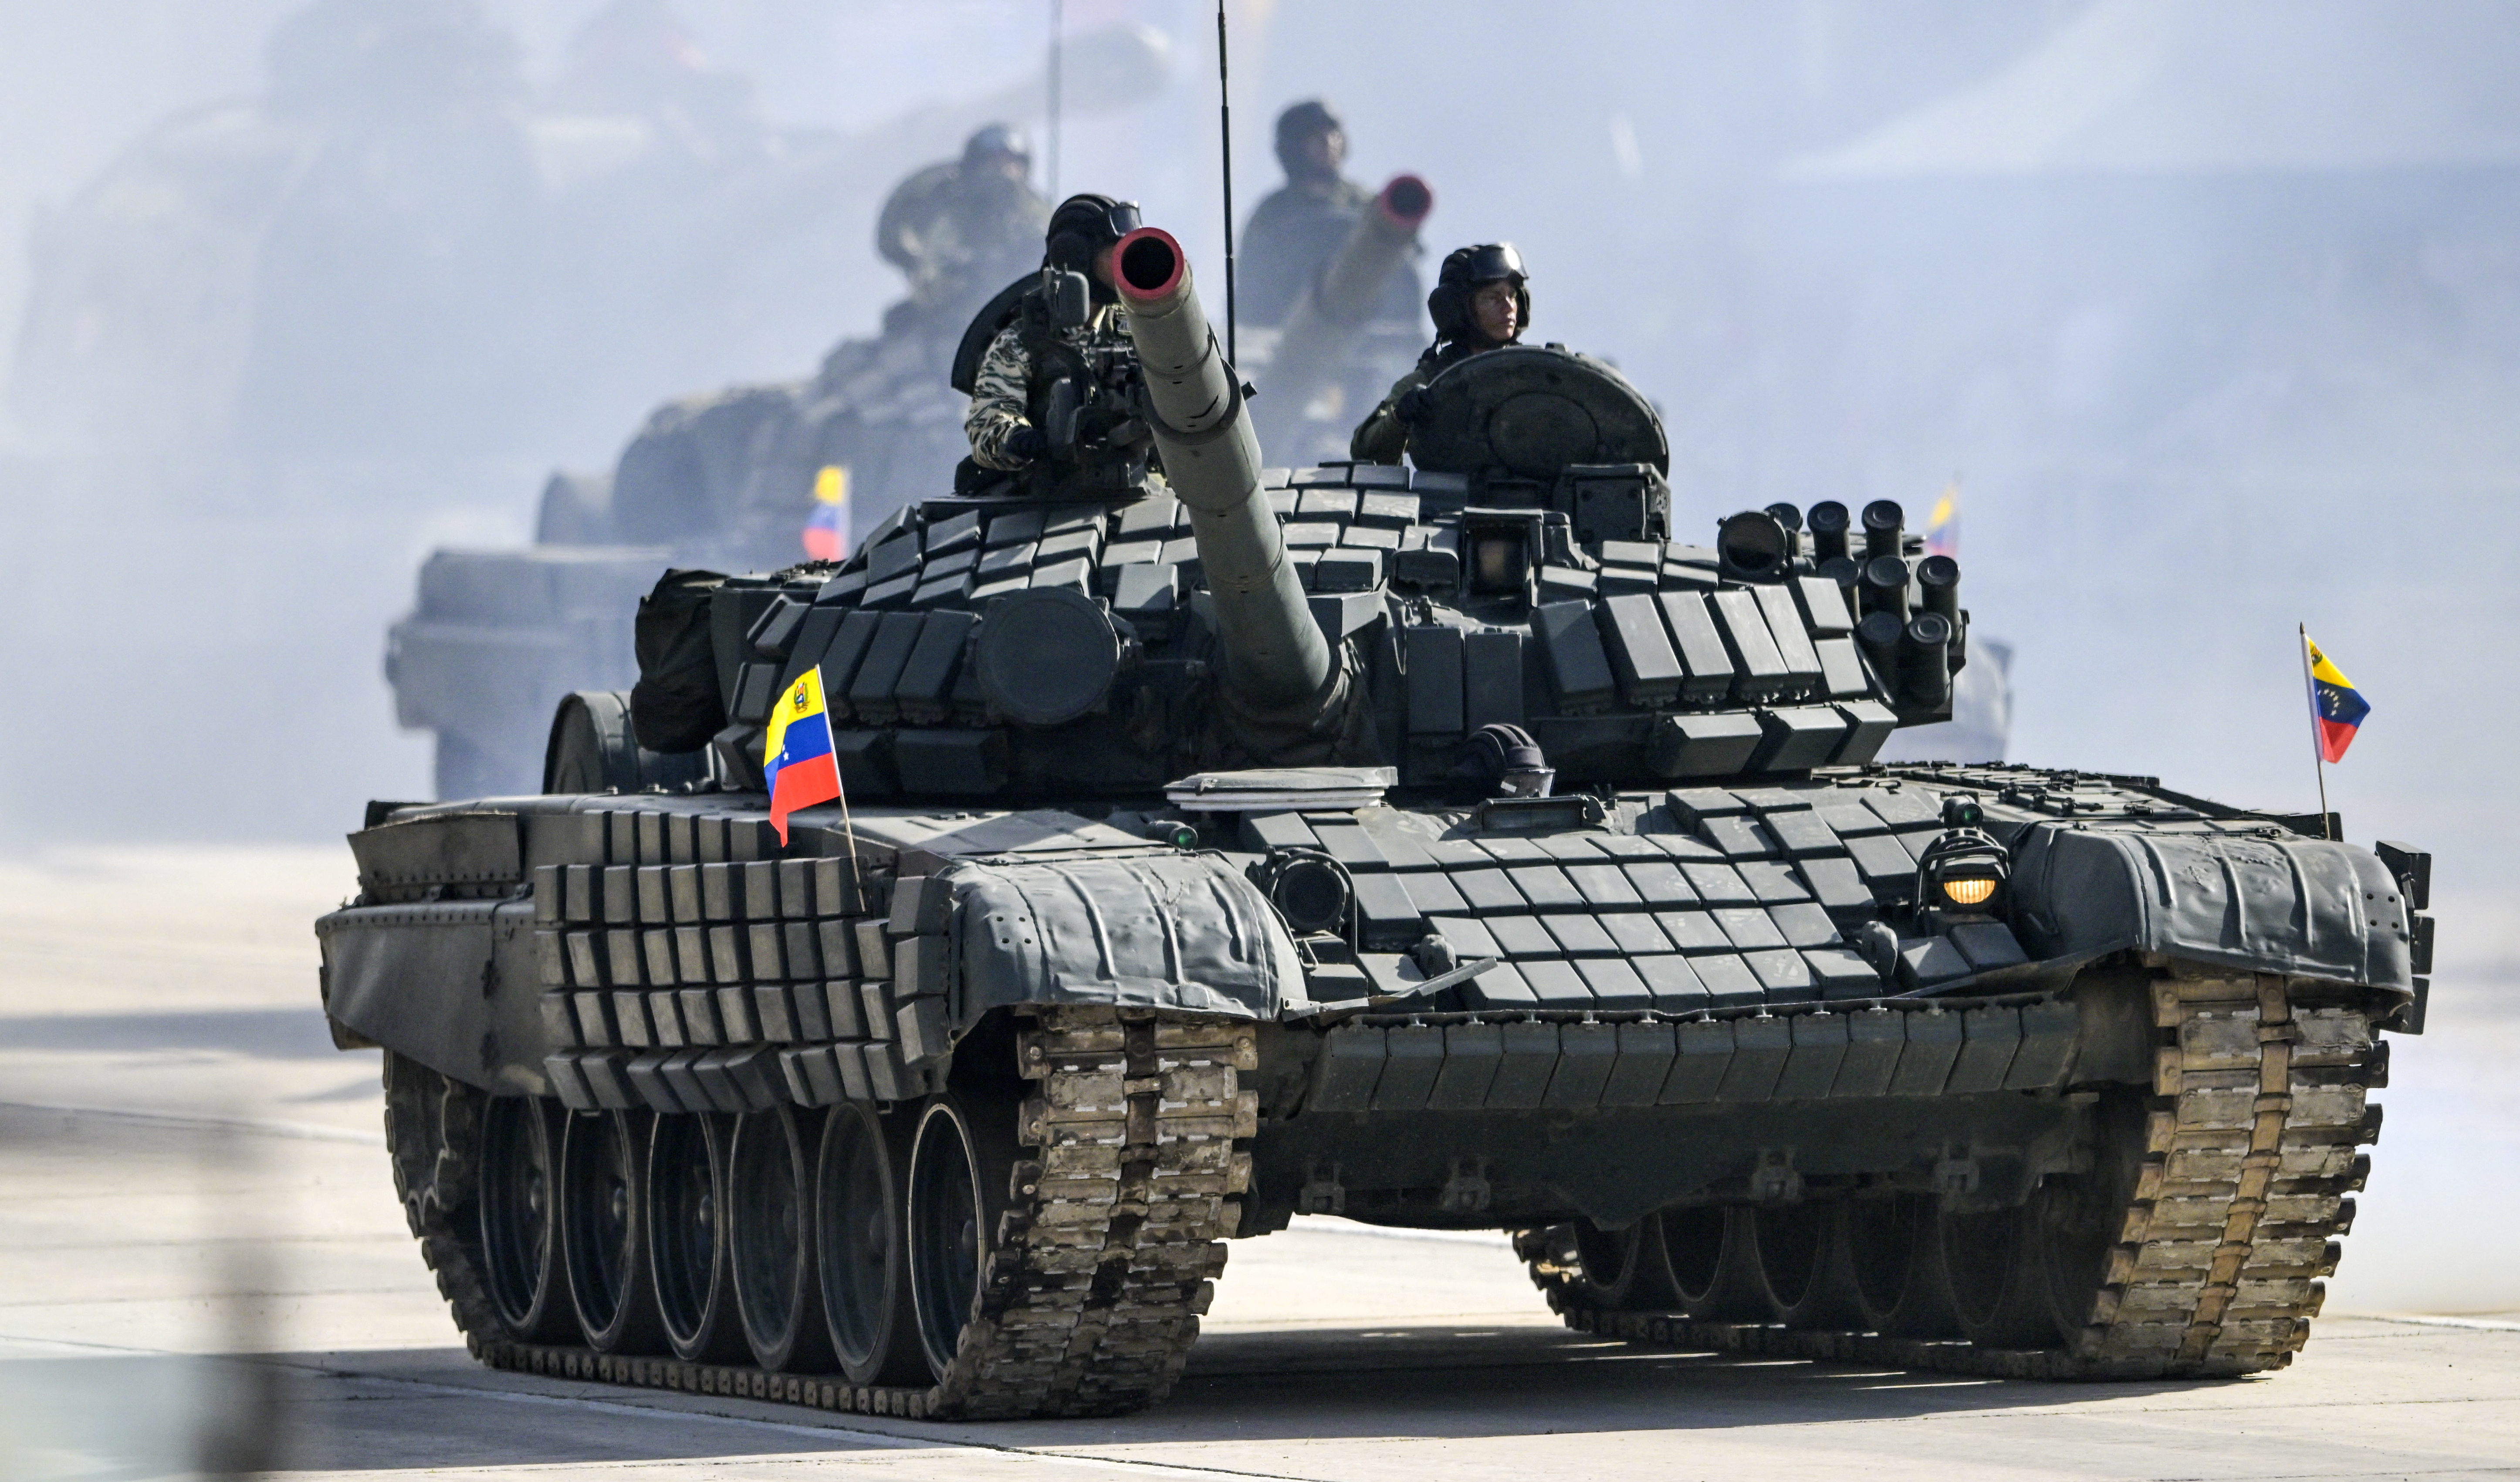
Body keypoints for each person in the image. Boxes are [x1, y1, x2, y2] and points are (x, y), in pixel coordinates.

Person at [963, 193, 1145, 475]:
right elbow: (987, 422)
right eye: (1116, 254)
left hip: (1141, 484)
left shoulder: (1140, 327)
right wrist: (1020, 440)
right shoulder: (1023, 341)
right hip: (1052, 489)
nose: (1127, 264)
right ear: (1078, 258)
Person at [1237, 99, 1420, 330]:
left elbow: (1401, 262)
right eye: (1315, 137)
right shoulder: (1272, 214)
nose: (1328, 143)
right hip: (1282, 334)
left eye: (1333, 135)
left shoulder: (1364, 205)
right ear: (1293, 148)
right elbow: (1251, 289)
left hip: (1368, 334)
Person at [1350, 243, 1531, 464]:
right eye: (1493, 298)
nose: (1509, 307)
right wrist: (1400, 418)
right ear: (1460, 310)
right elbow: (1365, 453)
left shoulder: (1538, 374)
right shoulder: (1433, 382)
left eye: (1512, 296)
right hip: (1452, 485)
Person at [876, 124, 1052, 324]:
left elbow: (1051, 246)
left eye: (1011, 162)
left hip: (1020, 308)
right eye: (993, 162)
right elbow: (928, 263)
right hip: (950, 310)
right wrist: (958, 269)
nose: (1004, 170)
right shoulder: (950, 206)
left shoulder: (1034, 208)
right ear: (975, 166)